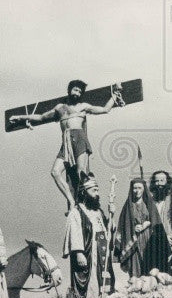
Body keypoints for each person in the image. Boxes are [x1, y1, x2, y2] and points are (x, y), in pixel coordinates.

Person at [9, 79, 122, 212]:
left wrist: (115, 94)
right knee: (55, 172)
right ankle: (71, 200)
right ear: (69, 90)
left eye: (80, 91)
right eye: (75, 89)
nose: (77, 93)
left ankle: (87, 203)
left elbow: (105, 109)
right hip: (66, 142)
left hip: (79, 138)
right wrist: (20, 117)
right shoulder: (60, 108)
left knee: (81, 174)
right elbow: (41, 117)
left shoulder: (83, 106)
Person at [64, 174, 110, 298]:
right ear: (84, 192)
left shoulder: (99, 212)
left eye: (98, 190)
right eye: (93, 190)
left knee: (102, 280)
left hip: (101, 253)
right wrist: (79, 253)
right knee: (88, 282)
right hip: (87, 253)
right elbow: (75, 233)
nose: (97, 193)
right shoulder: (76, 212)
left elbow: (107, 231)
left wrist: (112, 218)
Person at [115, 177, 167, 277]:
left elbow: (155, 220)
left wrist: (145, 224)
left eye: (139, 188)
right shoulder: (128, 205)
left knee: (149, 258)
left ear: (144, 189)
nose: (137, 191)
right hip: (133, 237)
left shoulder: (149, 204)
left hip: (148, 236)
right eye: (135, 188)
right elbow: (123, 223)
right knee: (136, 261)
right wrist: (132, 228)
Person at [149, 170, 172, 257]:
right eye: (156, 181)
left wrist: (171, 236)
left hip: (171, 241)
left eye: (162, 181)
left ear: (167, 182)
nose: (159, 184)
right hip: (153, 242)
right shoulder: (149, 202)